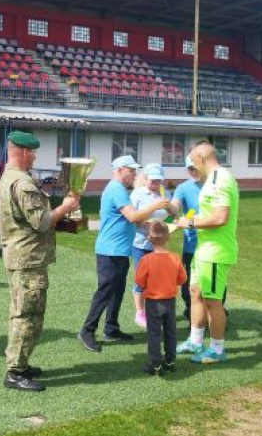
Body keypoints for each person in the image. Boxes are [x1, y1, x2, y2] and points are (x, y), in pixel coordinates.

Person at [0, 130, 80, 392]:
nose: (34, 156)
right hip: (28, 259)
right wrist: (65, 208)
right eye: (32, 152)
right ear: (21, 151)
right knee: (27, 315)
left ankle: (20, 364)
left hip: (23, 256)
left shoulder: (11, 177)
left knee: (25, 312)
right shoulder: (22, 182)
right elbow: (42, 222)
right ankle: (15, 371)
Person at [78, 155, 171, 352]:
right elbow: (133, 216)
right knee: (105, 292)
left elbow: (128, 219)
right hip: (110, 251)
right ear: (120, 170)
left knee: (117, 291)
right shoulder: (117, 189)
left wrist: (145, 224)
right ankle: (87, 331)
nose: (134, 174)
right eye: (131, 170)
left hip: (119, 250)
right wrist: (156, 206)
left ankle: (111, 328)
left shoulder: (117, 189)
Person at [179, 141, 239, 364]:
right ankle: (195, 341)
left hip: (215, 251)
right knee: (195, 293)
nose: (193, 165)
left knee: (213, 301)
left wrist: (190, 222)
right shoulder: (211, 179)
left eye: (193, 161)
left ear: (201, 158)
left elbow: (220, 217)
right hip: (203, 250)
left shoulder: (220, 179)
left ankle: (216, 349)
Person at [134, 221, 187, 375]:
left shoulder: (146, 260)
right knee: (171, 331)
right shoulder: (175, 258)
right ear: (168, 237)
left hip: (153, 302)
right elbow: (182, 279)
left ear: (149, 238)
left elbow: (139, 281)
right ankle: (170, 361)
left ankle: (155, 363)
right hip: (170, 301)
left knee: (154, 333)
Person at [129, 163, 173, 328]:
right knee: (141, 279)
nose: (155, 183)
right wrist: (144, 223)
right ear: (145, 178)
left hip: (159, 244)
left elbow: (169, 214)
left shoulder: (165, 194)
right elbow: (132, 218)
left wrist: (170, 222)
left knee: (157, 279)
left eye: (158, 180)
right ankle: (140, 312)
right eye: (152, 180)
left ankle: (153, 310)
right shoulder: (137, 194)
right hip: (141, 243)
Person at [171, 155, 202, 324]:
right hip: (191, 245)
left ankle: (216, 311)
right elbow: (176, 205)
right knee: (188, 283)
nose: (193, 171)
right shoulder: (183, 188)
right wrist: (170, 207)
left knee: (213, 283)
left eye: (195, 167)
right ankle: (192, 311)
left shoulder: (214, 186)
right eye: (190, 168)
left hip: (212, 245)